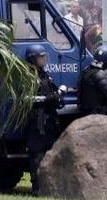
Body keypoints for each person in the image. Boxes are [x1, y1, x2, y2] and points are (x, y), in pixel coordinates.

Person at [25, 44, 65, 196]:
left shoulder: (44, 75)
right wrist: (53, 97)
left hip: (49, 121)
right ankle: (38, 188)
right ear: (33, 59)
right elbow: (29, 99)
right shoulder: (28, 77)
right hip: (37, 122)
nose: (44, 59)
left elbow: (52, 93)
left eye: (44, 56)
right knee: (37, 155)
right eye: (41, 57)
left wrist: (58, 95)